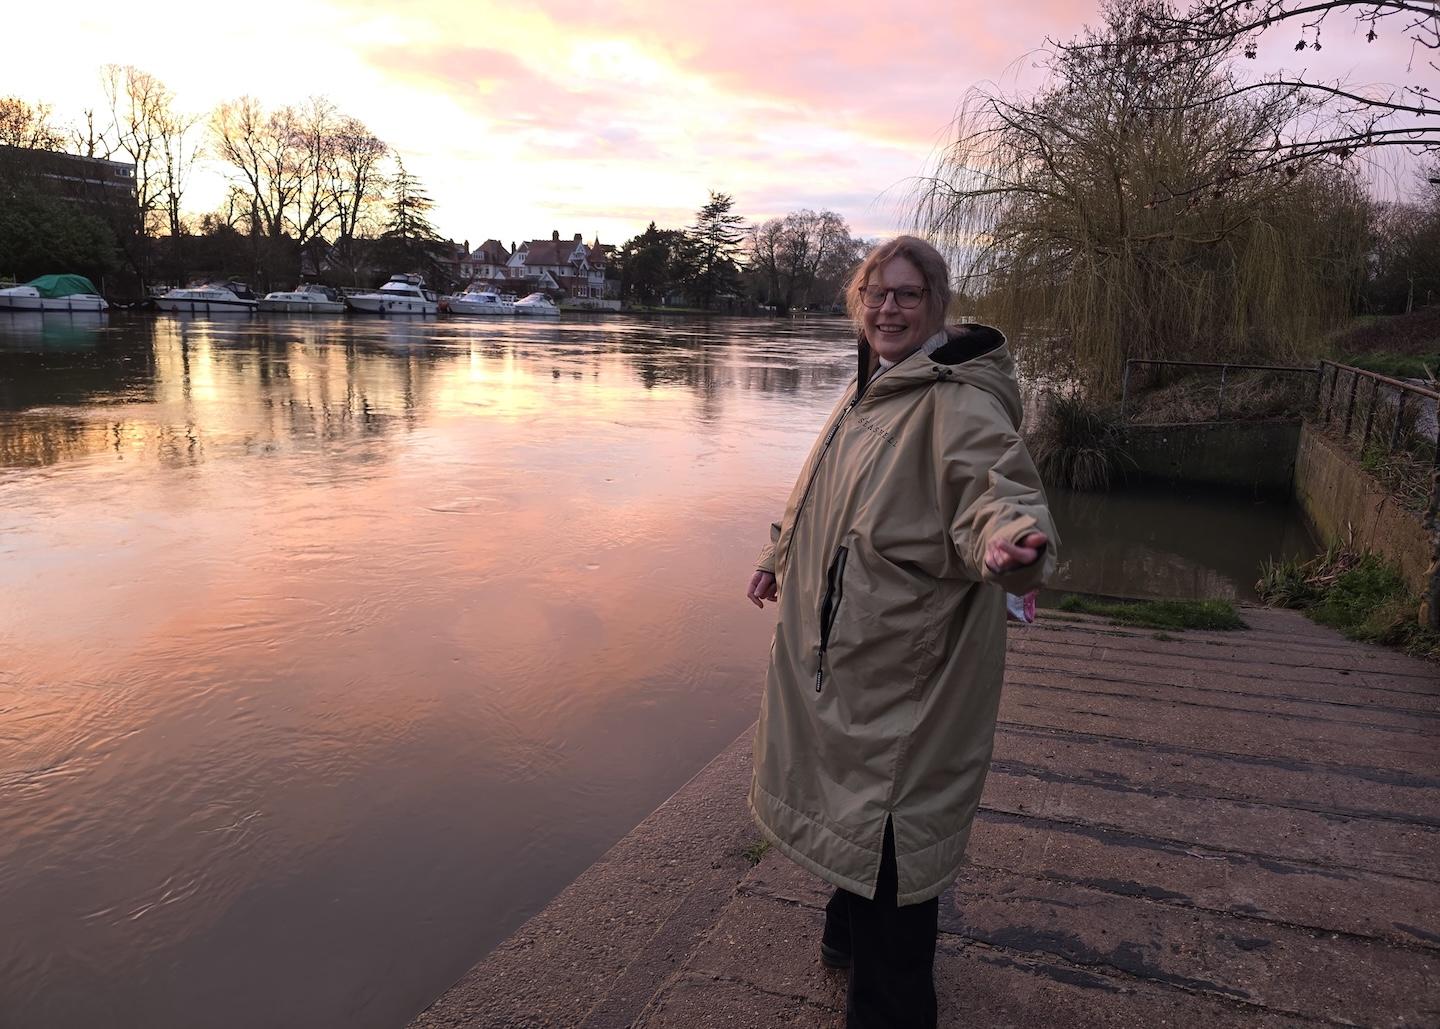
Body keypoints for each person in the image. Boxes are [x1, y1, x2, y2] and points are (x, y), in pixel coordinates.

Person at [744, 235, 1057, 1028]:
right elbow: (823, 487)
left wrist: (1009, 542)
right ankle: (842, 936)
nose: (888, 308)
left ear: (936, 304)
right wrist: (779, 554)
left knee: (890, 836)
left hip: (904, 673)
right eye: (876, 292)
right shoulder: (873, 384)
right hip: (852, 660)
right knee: (852, 811)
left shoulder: (957, 403)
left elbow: (996, 488)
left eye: (907, 294)